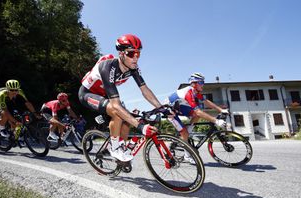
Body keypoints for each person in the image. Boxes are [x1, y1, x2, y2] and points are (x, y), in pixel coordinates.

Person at [78, 34, 162, 162]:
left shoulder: (133, 68)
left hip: (104, 94)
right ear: (121, 54)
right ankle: (114, 147)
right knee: (117, 112)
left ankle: (119, 146)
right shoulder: (107, 66)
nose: (135, 58)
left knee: (128, 120)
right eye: (131, 53)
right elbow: (116, 106)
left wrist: (161, 108)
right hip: (87, 93)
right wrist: (141, 127)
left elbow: (145, 90)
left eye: (138, 54)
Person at [165, 73, 229, 163]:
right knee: (186, 130)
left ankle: (188, 130)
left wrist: (220, 110)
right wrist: (216, 121)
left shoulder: (195, 92)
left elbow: (206, 101)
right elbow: (198, 111)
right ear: (194, 83)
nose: (203, 84)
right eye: (201, 82)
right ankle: (187, 155)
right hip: (169, 111)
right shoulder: (189, 92)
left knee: (196, 115)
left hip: (178, 107)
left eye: (203, 82)